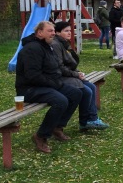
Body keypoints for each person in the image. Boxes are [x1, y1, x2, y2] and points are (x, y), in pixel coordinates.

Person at [15, 21, 82, 153]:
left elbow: (54, 67)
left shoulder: (46, 45)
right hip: (29, 89)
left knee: (76, 93)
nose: (53, 33)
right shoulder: (32, 49)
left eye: (53, 31)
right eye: (49, 31)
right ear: (39, 33)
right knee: (61, 101)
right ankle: (41, 136)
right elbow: (32, 76)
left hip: (49, 84)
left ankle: (57, 127)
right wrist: (54, 83)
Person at [51, 21, 109, 130]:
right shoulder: (56, 45)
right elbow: (60, 67)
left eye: (70, 30)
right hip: (61, 78)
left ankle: (88, 120)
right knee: (86, 91)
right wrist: (76, 74)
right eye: (66, 31)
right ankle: (86, 120)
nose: (69, 33)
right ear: (58, 33)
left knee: (91, 86)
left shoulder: (63, 43)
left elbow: (69, 64)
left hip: (69, 75)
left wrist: (78, 73)